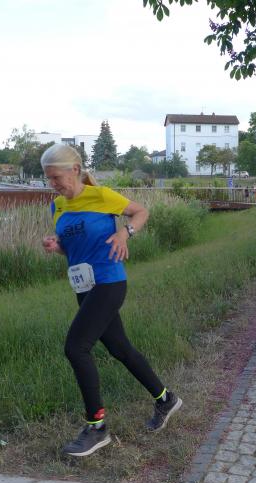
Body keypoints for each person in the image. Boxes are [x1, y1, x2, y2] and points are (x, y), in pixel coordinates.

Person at [40, 144, 182, 457]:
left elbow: (141, 212)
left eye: (56, 177)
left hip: (109, 282)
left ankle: (97, 426)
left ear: (75, 170)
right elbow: (71, 248)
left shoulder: (102, 196)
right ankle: (166, 399)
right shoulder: (57, 206)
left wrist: (124, 233)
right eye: (48, 178)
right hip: (84, 286)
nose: (53, 184)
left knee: (76, 347)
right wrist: (56, 246)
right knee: (120, 348)